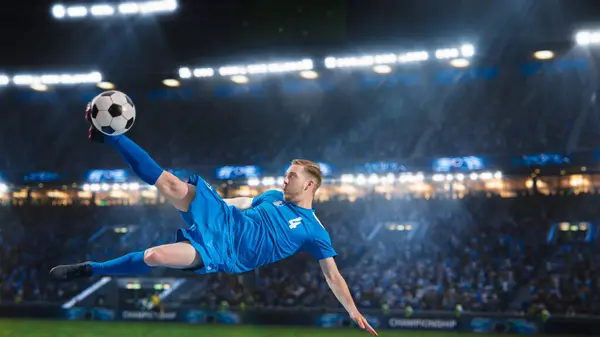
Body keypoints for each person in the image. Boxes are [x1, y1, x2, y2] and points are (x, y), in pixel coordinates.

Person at [49, 102, 378, 336]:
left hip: (228, 254)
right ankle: (112, 136)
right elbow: (240, 202)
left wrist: (352, 311)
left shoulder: (315, 230)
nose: (284, 179)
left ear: (309, 184)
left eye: (291, 176)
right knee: (171, 183)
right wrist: (202, 206)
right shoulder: (273, 196)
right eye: (286, 173)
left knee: (154, 256)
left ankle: (92, 268)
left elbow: (333, 276)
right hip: (222, 219)